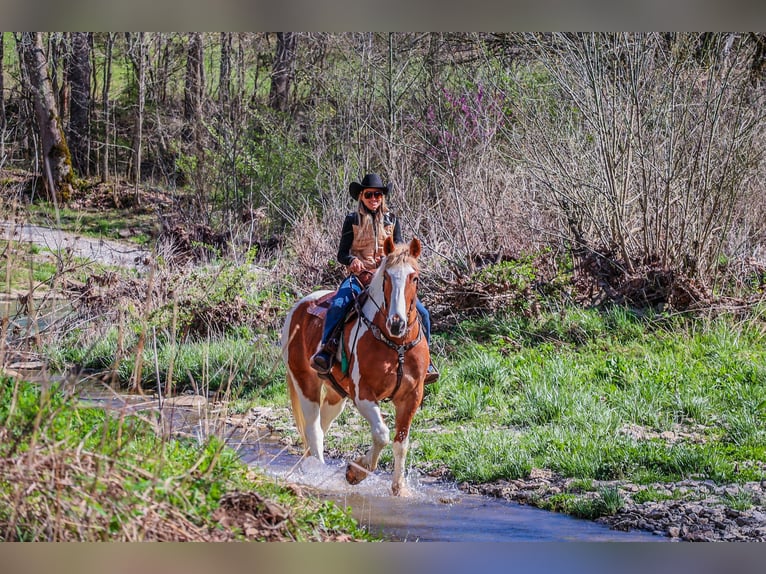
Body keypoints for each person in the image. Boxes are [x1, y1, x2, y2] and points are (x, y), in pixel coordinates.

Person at [310, 173, 439, 384]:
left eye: (377, 195)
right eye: (369, 194)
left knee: (422, 313)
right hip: (360, 276)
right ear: (361, 196)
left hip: (386, 277)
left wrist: (391, 257)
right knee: (339, 304)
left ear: (382, 197)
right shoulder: (352, 220)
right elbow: (341, 253)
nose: (373, 199)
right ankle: (327, 350)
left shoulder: (392, 220)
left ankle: (427, 360)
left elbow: (399, 249)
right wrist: (352, 260)